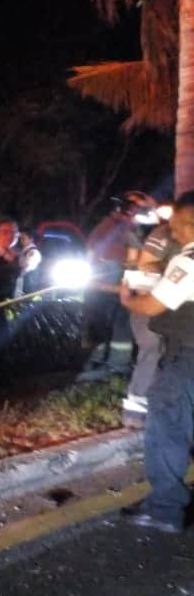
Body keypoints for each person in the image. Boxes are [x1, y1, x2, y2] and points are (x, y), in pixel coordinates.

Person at [118, 192, 194, 533]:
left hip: (186, 357)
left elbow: (152, 306)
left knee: (166, 428)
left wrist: (128, 298)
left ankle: (164, 509)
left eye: (176, 226)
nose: (172, 233)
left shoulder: (189, 261)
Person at [122, 211, 183, 427]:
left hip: (163, 303)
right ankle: (137, 411)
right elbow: (145, 265)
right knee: (153, 349)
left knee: (162, 352)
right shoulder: (164, 234)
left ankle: (146, 409)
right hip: (151, 301)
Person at [83, 191, 157, 359]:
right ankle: (99, 360)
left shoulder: (138, 228)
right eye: (131, 206)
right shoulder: (114, 225)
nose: (133, 210)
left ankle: (116, 364)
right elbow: (97, 248)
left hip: (121, 284)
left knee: (120, 324)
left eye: (138, 207)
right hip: (108, 284)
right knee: (102, 324)